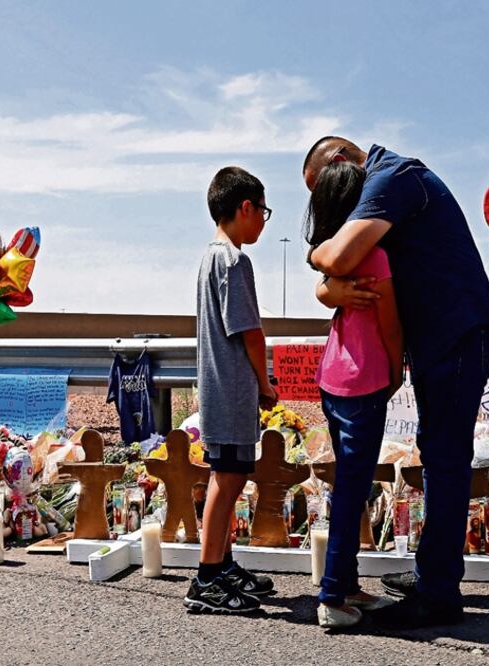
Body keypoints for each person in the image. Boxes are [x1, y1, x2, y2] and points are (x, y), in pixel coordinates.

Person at [303, 137, 489, 628]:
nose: (331, 199)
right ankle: (434, 573)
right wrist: (329, 281)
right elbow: (334, 273)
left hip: (457, 330)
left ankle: (438, 594)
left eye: (324, 186)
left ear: (342, 163)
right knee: (435, 449)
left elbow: (339, 256)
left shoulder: (393, 178)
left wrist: (321, 263)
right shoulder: (386, 184)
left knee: (446, 454)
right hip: (440, 335)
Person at [304, 161, 400, 629]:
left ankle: (349, 585)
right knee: (352, 493)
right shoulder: (376, 258)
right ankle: (331, 597)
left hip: (333, 379)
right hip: (366, 381)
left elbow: (322, 284)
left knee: (349, 487)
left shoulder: (330, 259)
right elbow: (389, 324)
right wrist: (399, 367)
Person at [183, 166, 278, 614]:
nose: (262, 220)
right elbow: (250, 332)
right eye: (262, 211)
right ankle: (206, 578)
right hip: (234, 386)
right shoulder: (235, 261)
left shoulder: (209, 257)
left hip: (216, 385)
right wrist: (265, 382)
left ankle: (221, 564)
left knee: (228, 473)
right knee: (229, 476)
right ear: (245, 208)